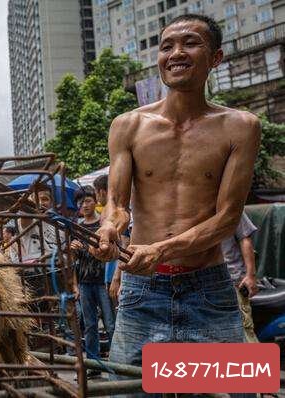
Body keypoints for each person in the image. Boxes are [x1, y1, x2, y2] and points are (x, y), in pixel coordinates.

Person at [90, 13, 260, 379]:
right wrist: (109, 229)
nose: (176, 53)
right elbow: (117, 205)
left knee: (238, 387)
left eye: (190, 43)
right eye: (167, 46)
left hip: (210, 289)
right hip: (141, 291)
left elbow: (227, 219)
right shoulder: (128, 125)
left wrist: (161, 250)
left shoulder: (241, 127)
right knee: (124, 389)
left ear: (216, 58)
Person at [71, 190, 115, 373]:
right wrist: (73, 248)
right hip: (85, 281)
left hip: (102, 281)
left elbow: (112, 253)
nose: (84, 205)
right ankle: (93, 365)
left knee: (110, 323)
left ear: (95, 201)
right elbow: (73, 260)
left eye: (87, 200)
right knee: (89, 325)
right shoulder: (76, 227)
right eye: (81, 202)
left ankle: (116, 364)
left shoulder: (104, 225)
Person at [222, 212, 259, 343]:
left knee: (244, 331)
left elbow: (245, 239)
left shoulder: (230, 207)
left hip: (233, 280)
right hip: (204, 282)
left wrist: (250, 275)